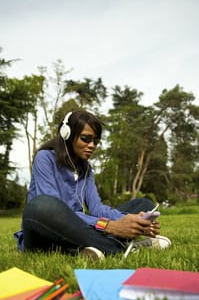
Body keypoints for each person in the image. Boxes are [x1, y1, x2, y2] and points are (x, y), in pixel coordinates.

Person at [14, 110, 171, 260]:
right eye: (86, 138)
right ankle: (122, 247)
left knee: (143, 204)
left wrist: (132, 221)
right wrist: (111, 226)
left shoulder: (86, 169)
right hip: (44, 233)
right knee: (41, 206)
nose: (92, 145)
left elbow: (97, 209)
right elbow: (58, 212)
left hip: (78, 229)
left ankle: (90, 248)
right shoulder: (45, 158)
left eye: (95, 141)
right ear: (66, 134)